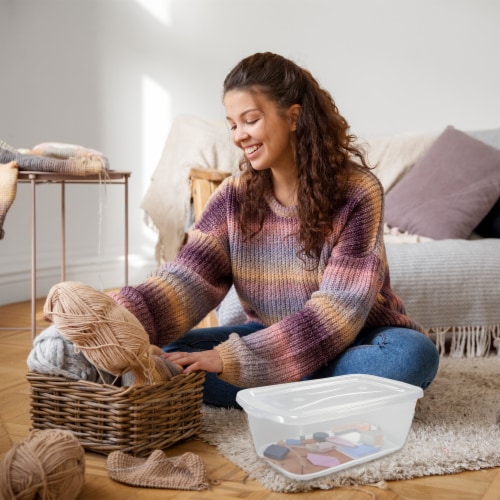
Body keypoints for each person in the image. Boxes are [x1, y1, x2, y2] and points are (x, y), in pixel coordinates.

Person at [112, 52, 439, 408]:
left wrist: (233, 361)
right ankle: (313, 390)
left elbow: (340, 310)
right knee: (175, 352)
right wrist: (113, 314)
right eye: (232, 124)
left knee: (412, 357)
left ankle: (273, 386)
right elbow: (186, 278)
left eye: (250, 120)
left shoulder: (357, 192)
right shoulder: (232, 198)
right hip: (272, 337)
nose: (239, 136)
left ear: (293, 117)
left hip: (358, 336)